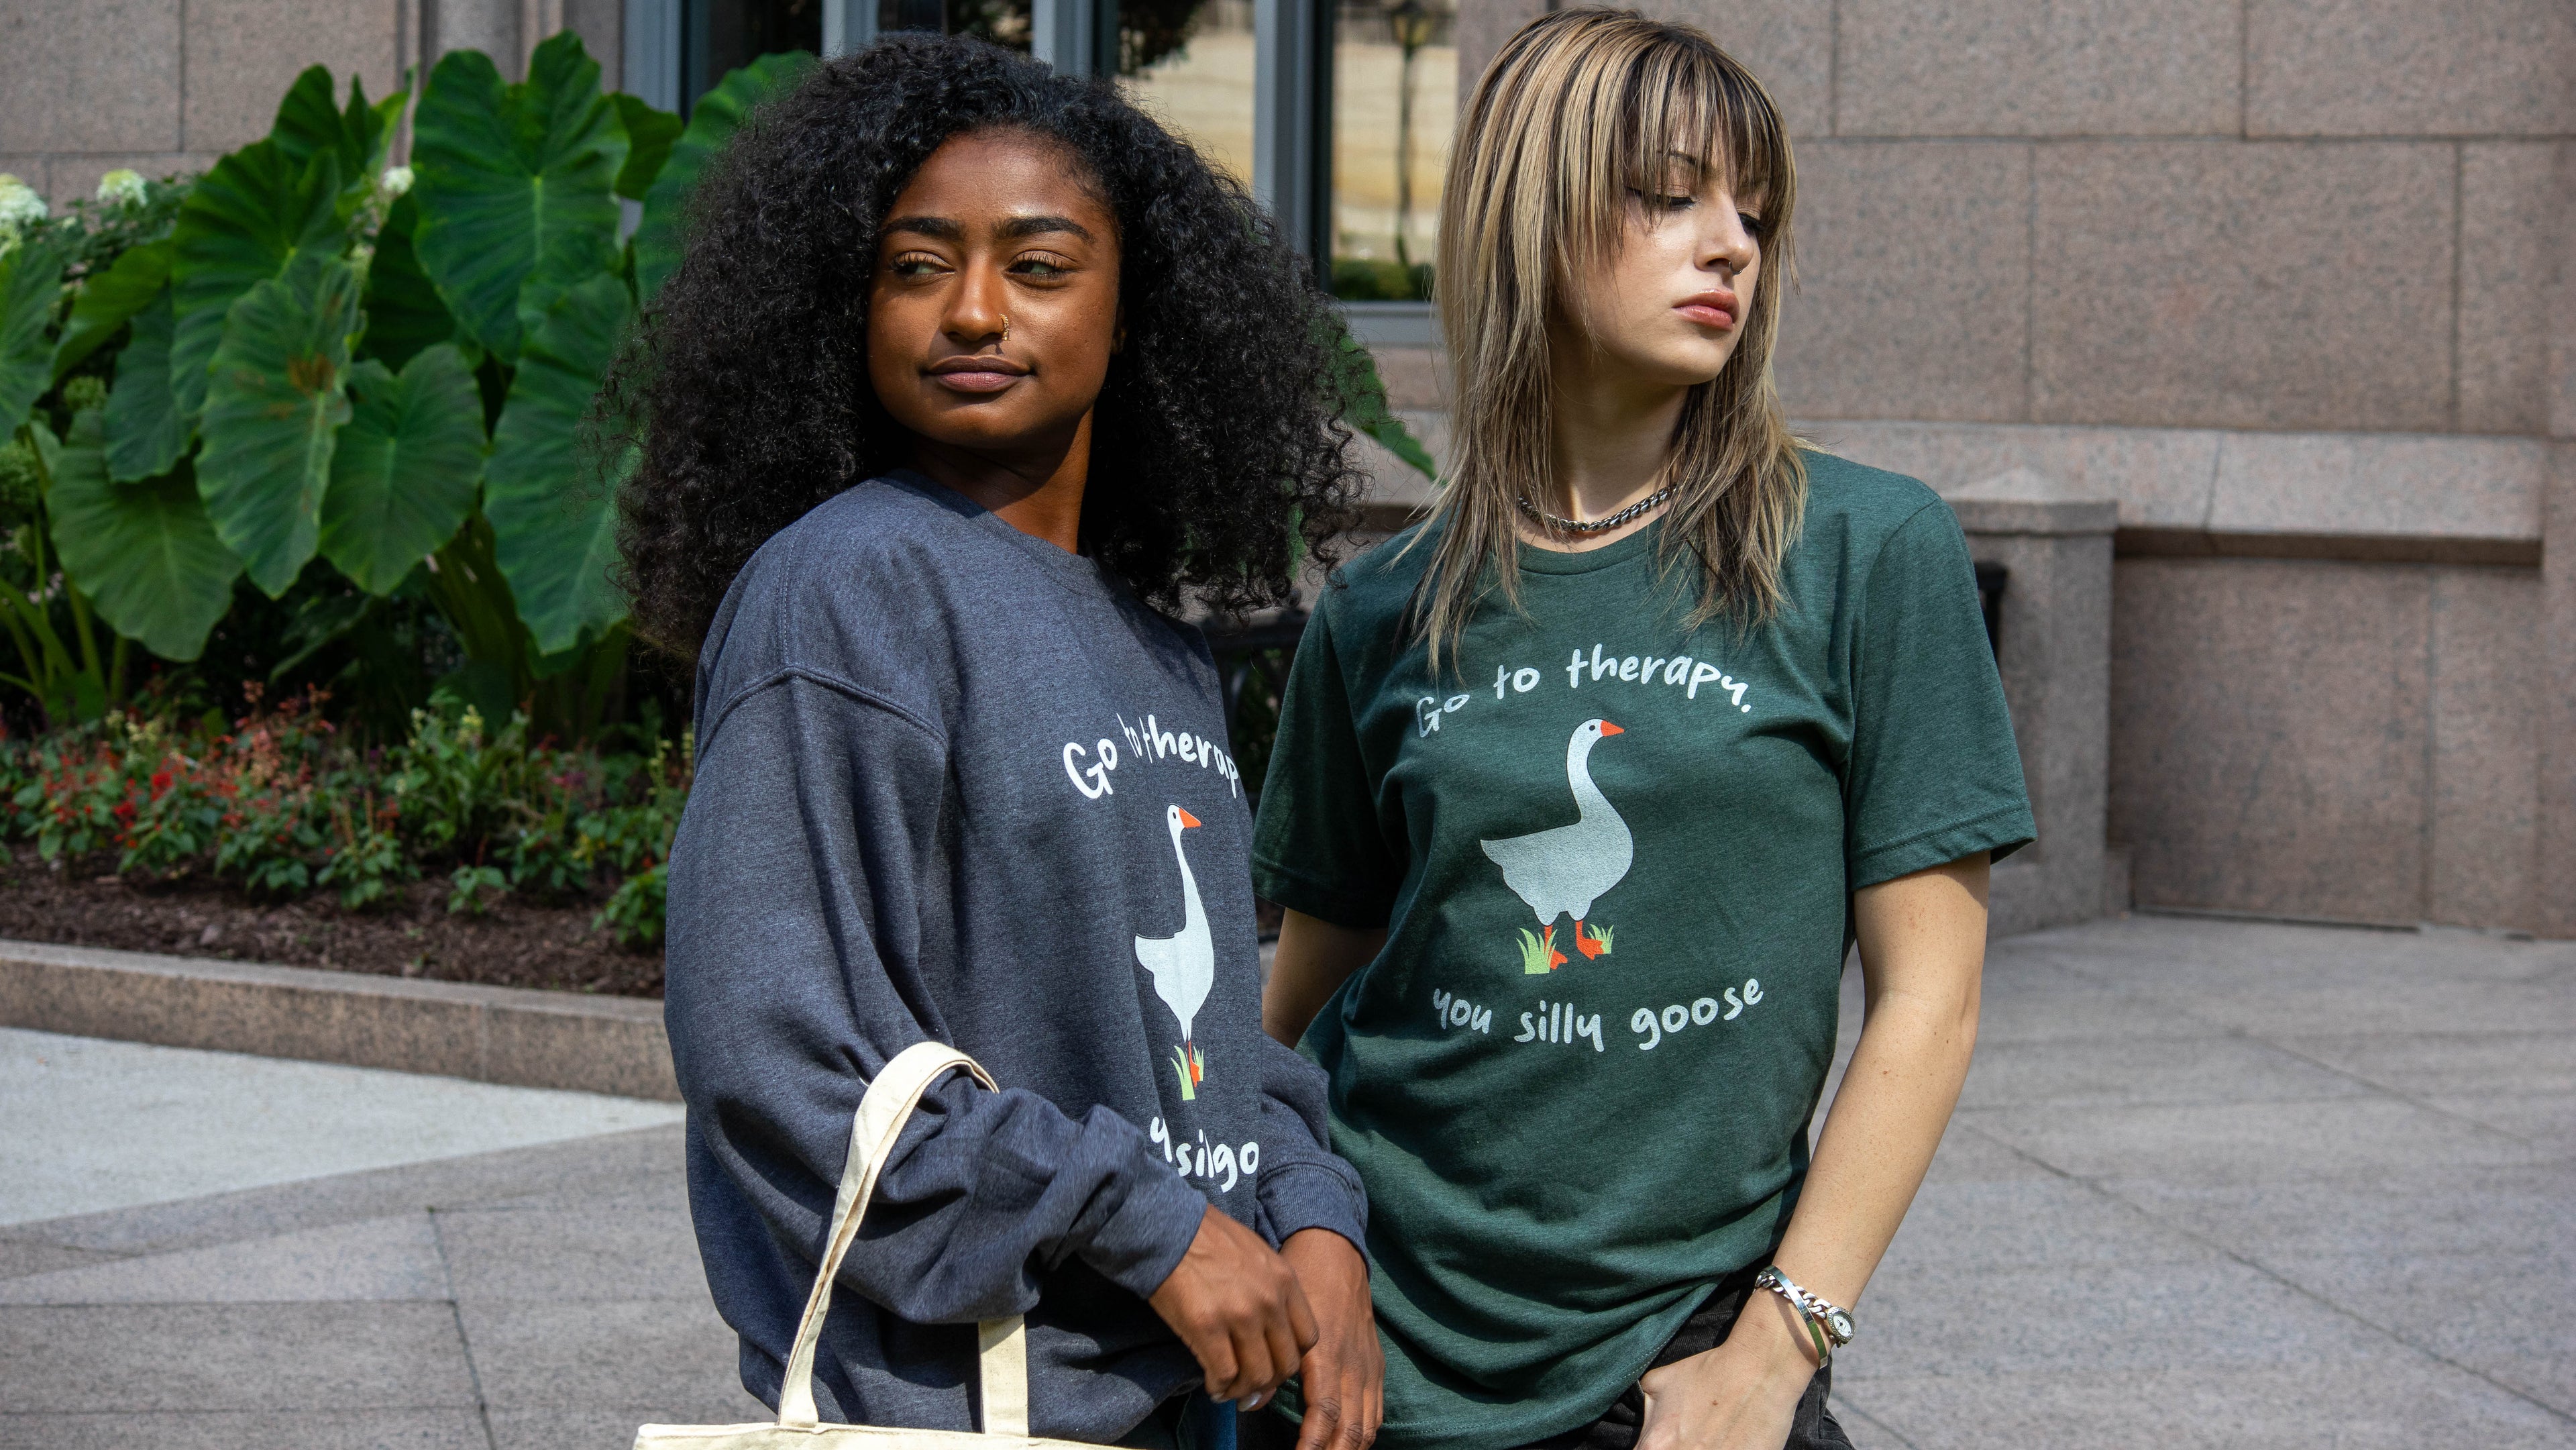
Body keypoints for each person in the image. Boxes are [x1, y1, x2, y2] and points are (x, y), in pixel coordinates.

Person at [1246, 11, 2034, 1450]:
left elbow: (1932, 1000)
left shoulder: (1866, 550)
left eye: (1754, 210)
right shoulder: (1384, 605)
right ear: (1529, 210)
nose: (1729, 240)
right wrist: (1260, 1239)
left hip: (1675, 1347)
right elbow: (1301, 997)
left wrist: (1778, 1348)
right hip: (1366, 1344)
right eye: (1668, 195)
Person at [616, 36, 1385, 1450]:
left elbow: (1198, 1040)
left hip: (1180, 1401)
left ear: (1133, 312)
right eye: (917, 267)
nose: (972, 310)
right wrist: (1144, 1222)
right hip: (964, 1406)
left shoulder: (1155, 643)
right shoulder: (845, 591)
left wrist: (1313, 1218)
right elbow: (772, 1051)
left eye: (1037, 266)